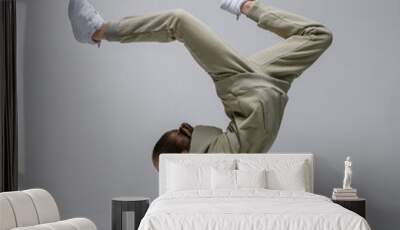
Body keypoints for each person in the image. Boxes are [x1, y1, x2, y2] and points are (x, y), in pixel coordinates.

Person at [68, 0, 333, 170]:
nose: (168, 177)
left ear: (182, 155)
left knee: (178, 21)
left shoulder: (209, 159)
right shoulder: (212, 166)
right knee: (319, 35)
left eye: (166, 168)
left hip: (243, 86)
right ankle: (244, 5)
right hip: (267, 83)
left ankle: (97, 30)